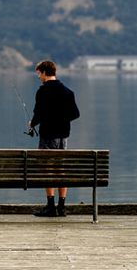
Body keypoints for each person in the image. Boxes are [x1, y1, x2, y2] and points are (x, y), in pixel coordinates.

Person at [27, 59, 80, 217]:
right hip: (63, 135)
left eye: (39, 73)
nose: (38, 77)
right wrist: (61, 118)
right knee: (60, 169)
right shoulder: (67, 92)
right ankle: (62, 207)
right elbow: (75, 114)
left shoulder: (42, 91)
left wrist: (32, 123)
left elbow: (38, 115)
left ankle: (51, 207)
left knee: (47, 169)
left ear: (44, 72)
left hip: (48, 135)